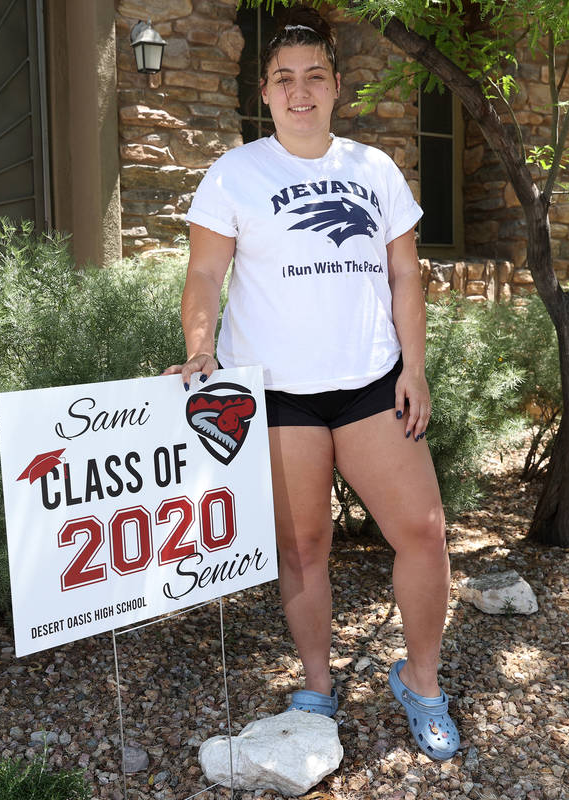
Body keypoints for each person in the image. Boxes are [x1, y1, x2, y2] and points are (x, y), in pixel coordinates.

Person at [163, 5, 459, 762]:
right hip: (276, 392)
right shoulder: (235, 173)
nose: (300, 92)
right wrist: (201, 350)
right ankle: (318, 684)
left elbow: (403, 275)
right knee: (302, 548)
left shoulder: (374, 169)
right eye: (284, 79)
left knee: (423, 533)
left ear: (336, 87)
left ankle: (421, 684)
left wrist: (415, 367)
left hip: (369, 383)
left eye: (314, 78)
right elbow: (204, 272)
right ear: (264, 91)